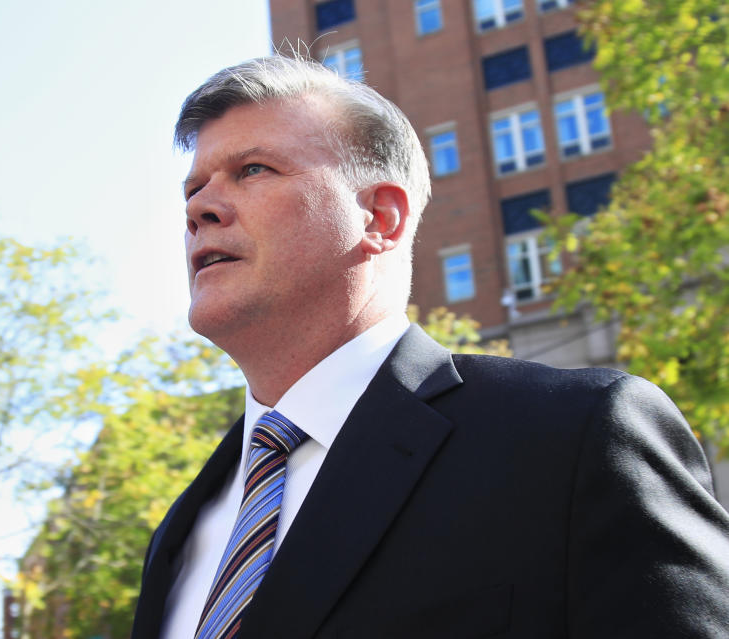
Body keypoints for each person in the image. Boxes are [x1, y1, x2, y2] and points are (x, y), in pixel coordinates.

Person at [131, 55, 729, 639]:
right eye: (194, 187)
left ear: (380, 218)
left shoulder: (577, 437)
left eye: (253, 170)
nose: (198, 209)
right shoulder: (184, 527)